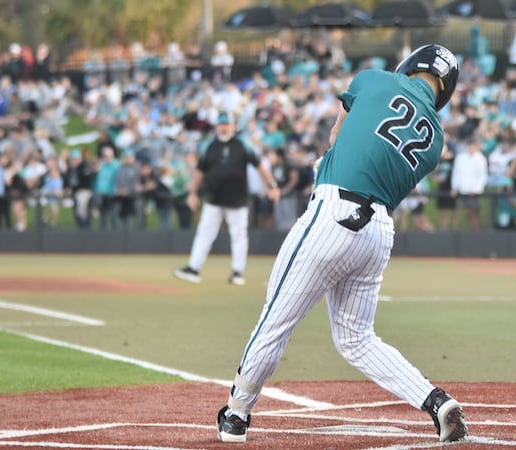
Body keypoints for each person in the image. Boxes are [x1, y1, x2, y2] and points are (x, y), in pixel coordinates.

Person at [215, 44, 467, 444]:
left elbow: (338, 134)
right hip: (378, 230)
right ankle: (436, 402)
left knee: (276, 318)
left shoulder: (375, 78)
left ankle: (236, 413)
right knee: (357, 338)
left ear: (411, 65)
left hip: (332, 211)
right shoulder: (436, 138)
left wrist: (328, 161)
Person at [173, 111, 280, 286]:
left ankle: (238, 272)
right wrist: (192, 193)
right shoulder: (210, 146)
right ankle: (194, 269)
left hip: (237, 200)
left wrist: (272, 186)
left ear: (234, 126)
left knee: (238, 236)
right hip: (213, 199)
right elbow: (200, 171)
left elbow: (259, 166)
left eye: (227, 124)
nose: (223, 128)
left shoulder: (242, 144)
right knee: (204, 234)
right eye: (221, 124)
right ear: (217, 126)